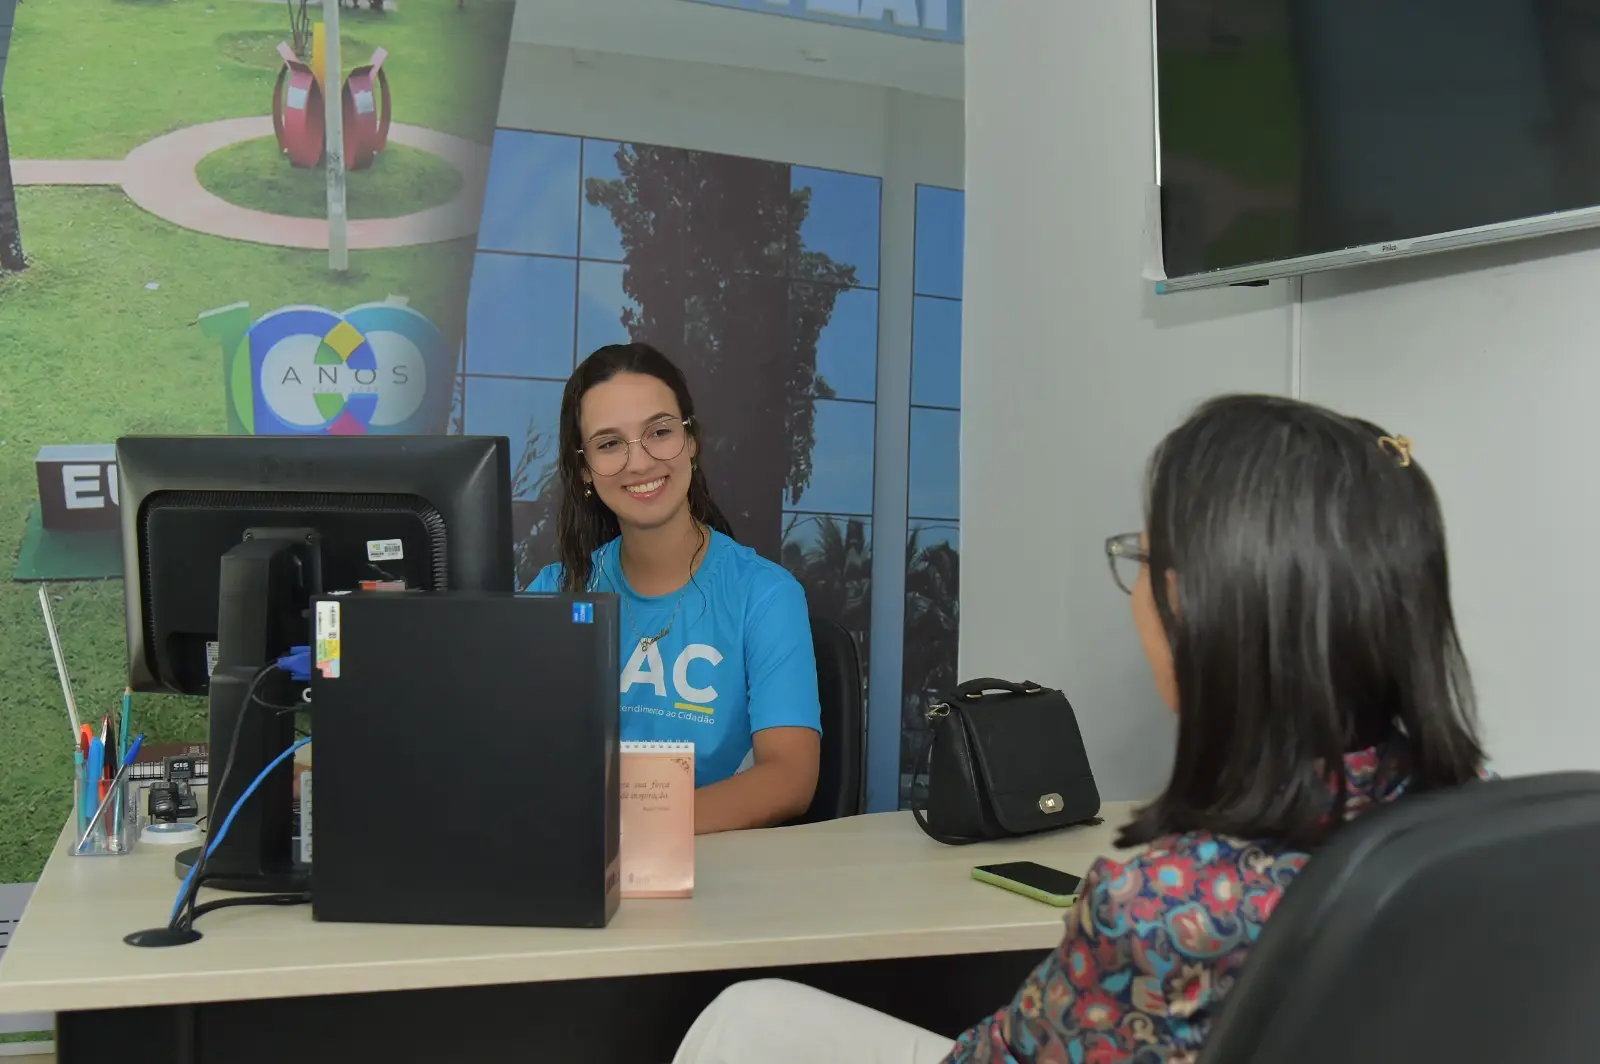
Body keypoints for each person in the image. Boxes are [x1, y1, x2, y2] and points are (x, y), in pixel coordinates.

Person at [670, 393, 1488, 1062]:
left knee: (746, 1024)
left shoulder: (1164, 908)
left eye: (1144, 556)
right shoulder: (1478, 827)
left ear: (1203, 606)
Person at [528, 342, 822, 834]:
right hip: (573, 864)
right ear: (584, 470)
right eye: (608, 443)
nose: (639, 463)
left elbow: (790, 777)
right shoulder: (554, 594)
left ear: (690, 441)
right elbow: (506, 746)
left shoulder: (765, 595)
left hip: (713, 877)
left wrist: (639, 828)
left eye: (659, 432)